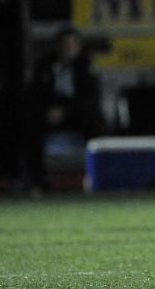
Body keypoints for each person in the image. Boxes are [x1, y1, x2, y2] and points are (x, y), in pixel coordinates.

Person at [21, 25, 104, 193]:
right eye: (65, 44)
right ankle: (37, 180)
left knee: (96, 126)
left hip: (76, 113)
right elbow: (34, 96)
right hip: (50, 112)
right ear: (57, 46)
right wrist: (49, 112)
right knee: (29, 128)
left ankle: (98, 176)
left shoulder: (86, 65)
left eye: (73, 45)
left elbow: (91, 99)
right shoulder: (44, 65)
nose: (69, 48)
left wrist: (66, 111)